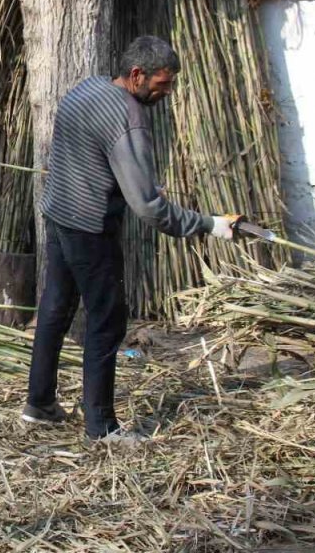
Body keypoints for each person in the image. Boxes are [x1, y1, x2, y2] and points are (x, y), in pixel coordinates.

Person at [20, 36, 240, 443]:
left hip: (59, 213)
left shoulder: (86, 89)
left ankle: (39, 403)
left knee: (55, 307)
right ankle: (101, 427)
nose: (167, 92)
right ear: (137, 75)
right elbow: (149, 207)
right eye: (162, 83)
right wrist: (209, 225)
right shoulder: (128, 118)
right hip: (89, 228)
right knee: (106, 322)